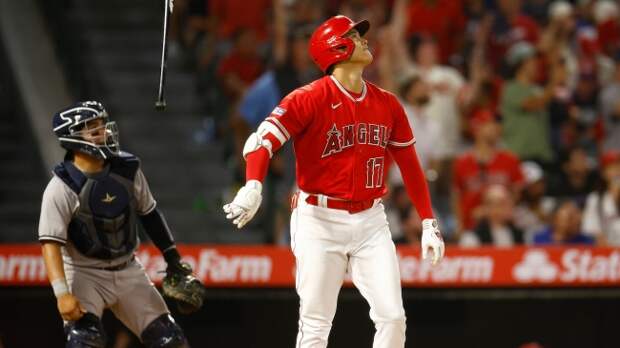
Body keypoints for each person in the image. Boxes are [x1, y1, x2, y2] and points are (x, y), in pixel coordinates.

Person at [223, 16, 445, 348]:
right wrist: (253, 184)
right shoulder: (308, 97)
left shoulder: (387, 103)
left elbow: (411, 166)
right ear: (335, 46)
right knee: (315, 324)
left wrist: (428, 220)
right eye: (355, 35)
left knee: (393, 317)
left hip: (371, 219)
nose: (364, 40)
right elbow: (261, 140)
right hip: (318, 219)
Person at [38, 101, 204, 348]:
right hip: (84, 271)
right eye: (93, 129)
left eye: (103, 125)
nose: (104, 132)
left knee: (171, 341)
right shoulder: (61, 187)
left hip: (128, 268)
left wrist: (173, 259)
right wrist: (62, 294)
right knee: (85, 342)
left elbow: (150, 214)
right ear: (73, 138)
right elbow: (50, 243)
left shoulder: (127, 169)